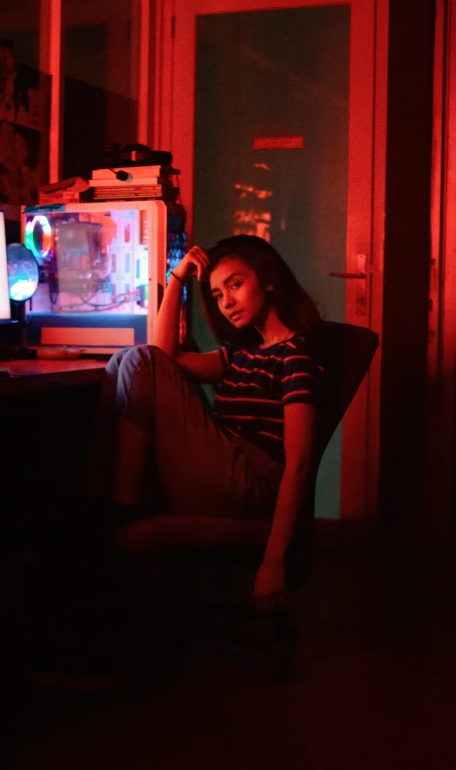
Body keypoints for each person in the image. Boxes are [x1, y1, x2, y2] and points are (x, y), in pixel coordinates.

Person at [89, 234, 324, 615]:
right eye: (217, 295)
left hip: (247, 480)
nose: (226, 302)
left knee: (136, 361)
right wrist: (177, 279)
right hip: (220, 466)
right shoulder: (242, 355)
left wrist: (274, 560)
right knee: (123, 362)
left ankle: (120, 504)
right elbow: (162, 361)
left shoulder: (295, 357)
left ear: (267, 280)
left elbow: (298, 465)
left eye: (235, 285)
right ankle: (109, 504)